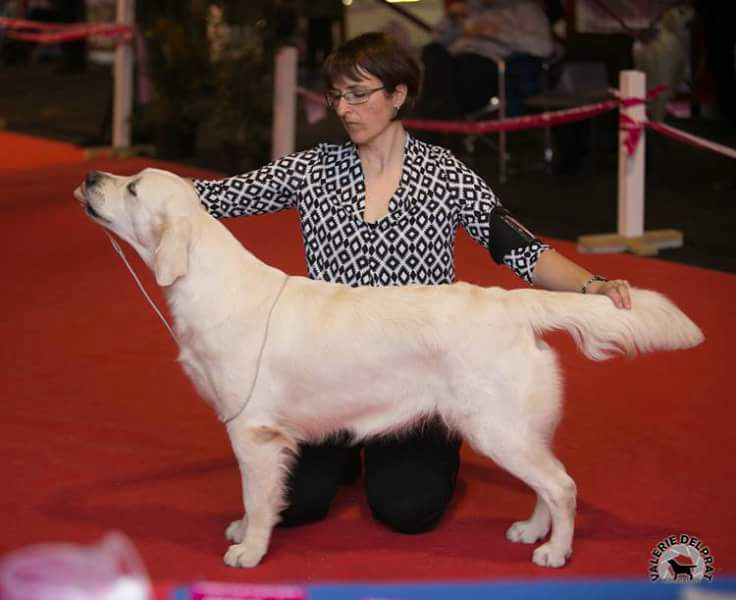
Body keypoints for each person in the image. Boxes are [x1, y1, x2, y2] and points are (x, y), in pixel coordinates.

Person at [190, 32, 631, 535]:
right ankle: (344, 450)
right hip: (325, 376)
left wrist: (590, 285)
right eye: (337, 96)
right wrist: (128, 191)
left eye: (359, 95)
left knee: (407, 511)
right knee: (294, 505)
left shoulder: (445, 173)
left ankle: (404, 451)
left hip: (420, 375)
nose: (345, 109)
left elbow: (518, 247)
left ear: (397, 95)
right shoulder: (312, 169)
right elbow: (215, 197)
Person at [416, 0, 555, 121]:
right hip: (454, 64)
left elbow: (544, 47)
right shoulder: (470, 8)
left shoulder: (524, 9)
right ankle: (442, 119)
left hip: (488, 67)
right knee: (432, 51)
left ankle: (431, 122)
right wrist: (450, 18)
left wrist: (500, 34)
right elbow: (436, 40)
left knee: (438, 88)